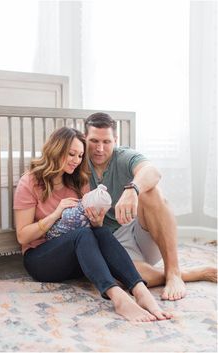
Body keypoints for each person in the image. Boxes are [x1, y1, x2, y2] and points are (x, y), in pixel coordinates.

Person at [14, 127, 172, 322]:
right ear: (56, 150)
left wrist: (96, 222)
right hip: (40, 260)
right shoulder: (30, 182)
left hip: (76, 259)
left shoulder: (78, 181)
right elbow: (22, 236)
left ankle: (140, 291)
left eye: (80, 155)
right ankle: (118, 297)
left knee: (100, 232)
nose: (76, 160)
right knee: (83, 234)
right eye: (71, 154)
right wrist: (56, 214)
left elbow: (88, 227)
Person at [84, 112, 217, 301]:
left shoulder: (123, 156)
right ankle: (189, 273)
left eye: (106, 142)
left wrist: (133, 189)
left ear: (115, 140)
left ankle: (173, 271)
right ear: (84, 139)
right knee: (124, 280)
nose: (99, 148)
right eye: (94, 141)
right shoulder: (77, 161)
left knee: (151, 191)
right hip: (114, 243)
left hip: (141, 230)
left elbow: (152, 171)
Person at [46, 184, 112, 240]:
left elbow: (65, 215)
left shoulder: (76, 213)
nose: (86, 193)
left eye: (88, 194)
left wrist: (97, 224)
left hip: (55, 235)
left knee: (103, 231)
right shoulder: (87, 218)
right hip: (54, 241)